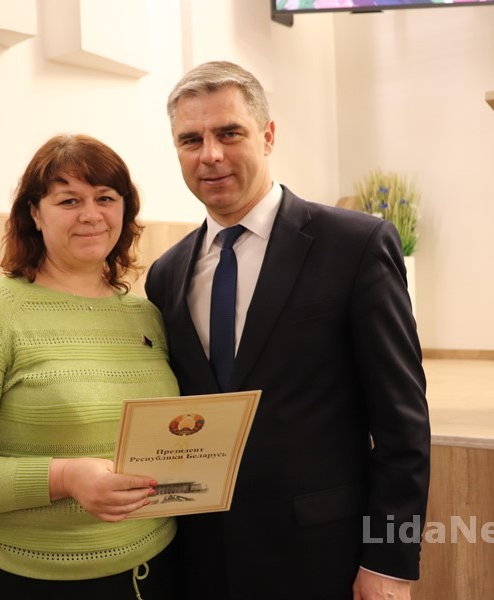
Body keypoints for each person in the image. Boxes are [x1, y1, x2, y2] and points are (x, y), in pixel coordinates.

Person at [145, 61, 431, 599]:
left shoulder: (355, 245)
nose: (211, 154)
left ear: (268, 135)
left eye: (229, 133)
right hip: (202, 560)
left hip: (322, 556)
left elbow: (403, 425)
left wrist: (390, 561)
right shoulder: (166, 274)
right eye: (191, 140)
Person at [0, 133, 180, 599]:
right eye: (69, 200)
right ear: (34, 213)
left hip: (157, 566)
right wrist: (65, 478)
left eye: (105, 198)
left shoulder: (146, 315)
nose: (90, 214)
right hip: (34, 579)